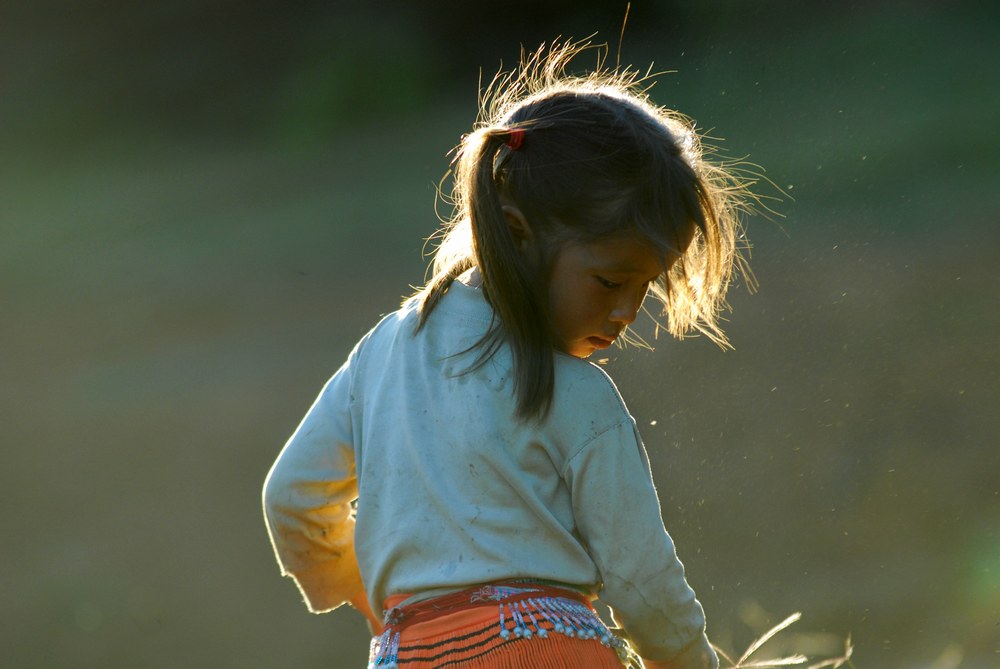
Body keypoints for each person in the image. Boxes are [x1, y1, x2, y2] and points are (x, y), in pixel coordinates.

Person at [263, 40, 757, 669]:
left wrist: (356, 588)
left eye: (647, 287)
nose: (629, 311)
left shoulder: (380, 355)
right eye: (610, 281)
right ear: (519, 233)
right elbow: (642, 585)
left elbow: (292, 496)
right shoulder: (578, 395)